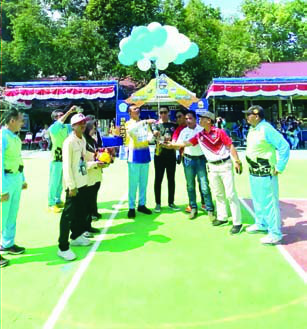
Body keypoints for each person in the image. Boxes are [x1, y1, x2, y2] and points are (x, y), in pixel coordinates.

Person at [170, 110, 243, 235]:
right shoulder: (200, 135)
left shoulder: (219, 132)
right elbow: (187, 143)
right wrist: (170, 146)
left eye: (202, 118)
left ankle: (237, 223)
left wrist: (237, 160)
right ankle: (222, 217)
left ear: (209, 120)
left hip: (225, 164)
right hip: (212, 167)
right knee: (218, 193)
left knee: (230, 194)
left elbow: (230, 145)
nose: (200, 120)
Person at [244, 105, 290, 244]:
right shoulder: (253, 129)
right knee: (257, 200)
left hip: (266, 173)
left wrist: (279, 166)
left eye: (249, 114)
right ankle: (261, 223)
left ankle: (275, 233)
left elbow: (284, 146)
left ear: (257, 116)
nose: (247, 117)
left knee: (269, 203)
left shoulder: (266, 129)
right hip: (254, 172)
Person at [57, 113, 92, 261]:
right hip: (73, 185)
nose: (83, 125)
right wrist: (71, 186)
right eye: (79, 123)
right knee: (68, 216)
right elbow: (66, 166)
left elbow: (82, 160)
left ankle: (76, 236)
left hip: (83, 182)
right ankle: (62, 247)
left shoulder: (82, 139)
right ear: (73, 126)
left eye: (84, 122)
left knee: (80, 212)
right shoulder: (69, 142)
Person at [170, 110, 215, 220]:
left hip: (200, 160)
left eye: (190, 118)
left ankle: (209, 209)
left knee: (204, 185)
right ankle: (193, 207)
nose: (188, 121)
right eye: (186, 119)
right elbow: (178, 145)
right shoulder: (183, 132)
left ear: (195, 119)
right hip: (188, 160)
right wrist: (169, 145)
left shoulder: (201, 130)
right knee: (190, 185)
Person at [0, 108, 28, 267]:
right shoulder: (2, 137)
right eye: (21, 120)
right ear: (12, 121)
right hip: (5, 179)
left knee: (11, 214)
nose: (22, 123)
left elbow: (18, 158)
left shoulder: (14, 137)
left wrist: (22, 178)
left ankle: (7, 243)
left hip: (15, 178)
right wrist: (1, 189)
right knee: (2, 216)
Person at [125, 105, 155, 219]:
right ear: (130, 113)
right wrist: (145, 122)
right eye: (134, 109)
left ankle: (141, 204)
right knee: (133, 183)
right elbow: (132, 130)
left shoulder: (144, 124)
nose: (137, 110)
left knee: (144, 182)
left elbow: (149, 136)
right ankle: (131, 207)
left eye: (138, 108)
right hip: (134, 156)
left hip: (145, 154)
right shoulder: (129, 124)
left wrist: (153, 136)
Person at [48, 106, 77, 213]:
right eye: (60, 115)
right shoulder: (53, 128)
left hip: (65, 157)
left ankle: (57, 199)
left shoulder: (66, 127)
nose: (63, 117)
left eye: (62, 114)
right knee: (54, 182)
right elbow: (60, 122)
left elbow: (76, 125)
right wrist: (69, 111)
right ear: (55, 118)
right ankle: (51, 203)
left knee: (61, 182)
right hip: (56, 158)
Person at [152, 106, 179, 213]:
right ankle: (158, 203)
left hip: (171, 155)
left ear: (169, 113)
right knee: (158, 179)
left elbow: (177, 137)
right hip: (159, 155)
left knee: (171, 179)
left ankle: (171, 202)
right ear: (159, 114)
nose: (163, 114)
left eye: (165, 112)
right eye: (161, 112)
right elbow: (154, 134)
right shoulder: (156, 125)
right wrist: (156, 134)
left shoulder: (174, 125)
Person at [84, 120, 105, 230]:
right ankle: (87, 224)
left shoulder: (92, 140)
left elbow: (97, 152)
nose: (94, 130)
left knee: (94, 194)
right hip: (88, 173)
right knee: (88, 199)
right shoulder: (83, 141)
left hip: (96, 172)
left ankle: (93, 213)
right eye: (92, 128)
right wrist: (95, 162)